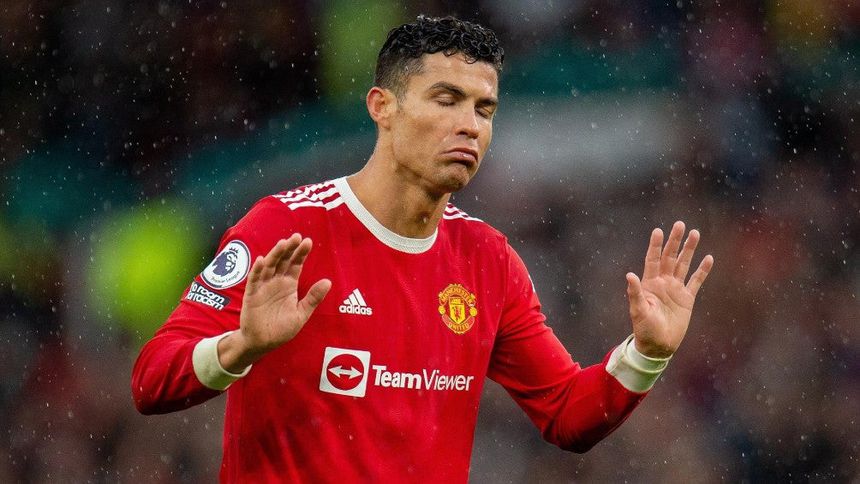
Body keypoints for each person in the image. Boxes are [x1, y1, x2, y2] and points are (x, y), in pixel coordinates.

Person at [132, 15, 714, 483]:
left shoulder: (488, 260)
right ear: (382, 106)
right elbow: (150, 379)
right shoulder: (285, 228)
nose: (470, 126)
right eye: (446, 99)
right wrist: (241, 347)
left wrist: (646, 354)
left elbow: (566, 413)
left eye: (484, 109)